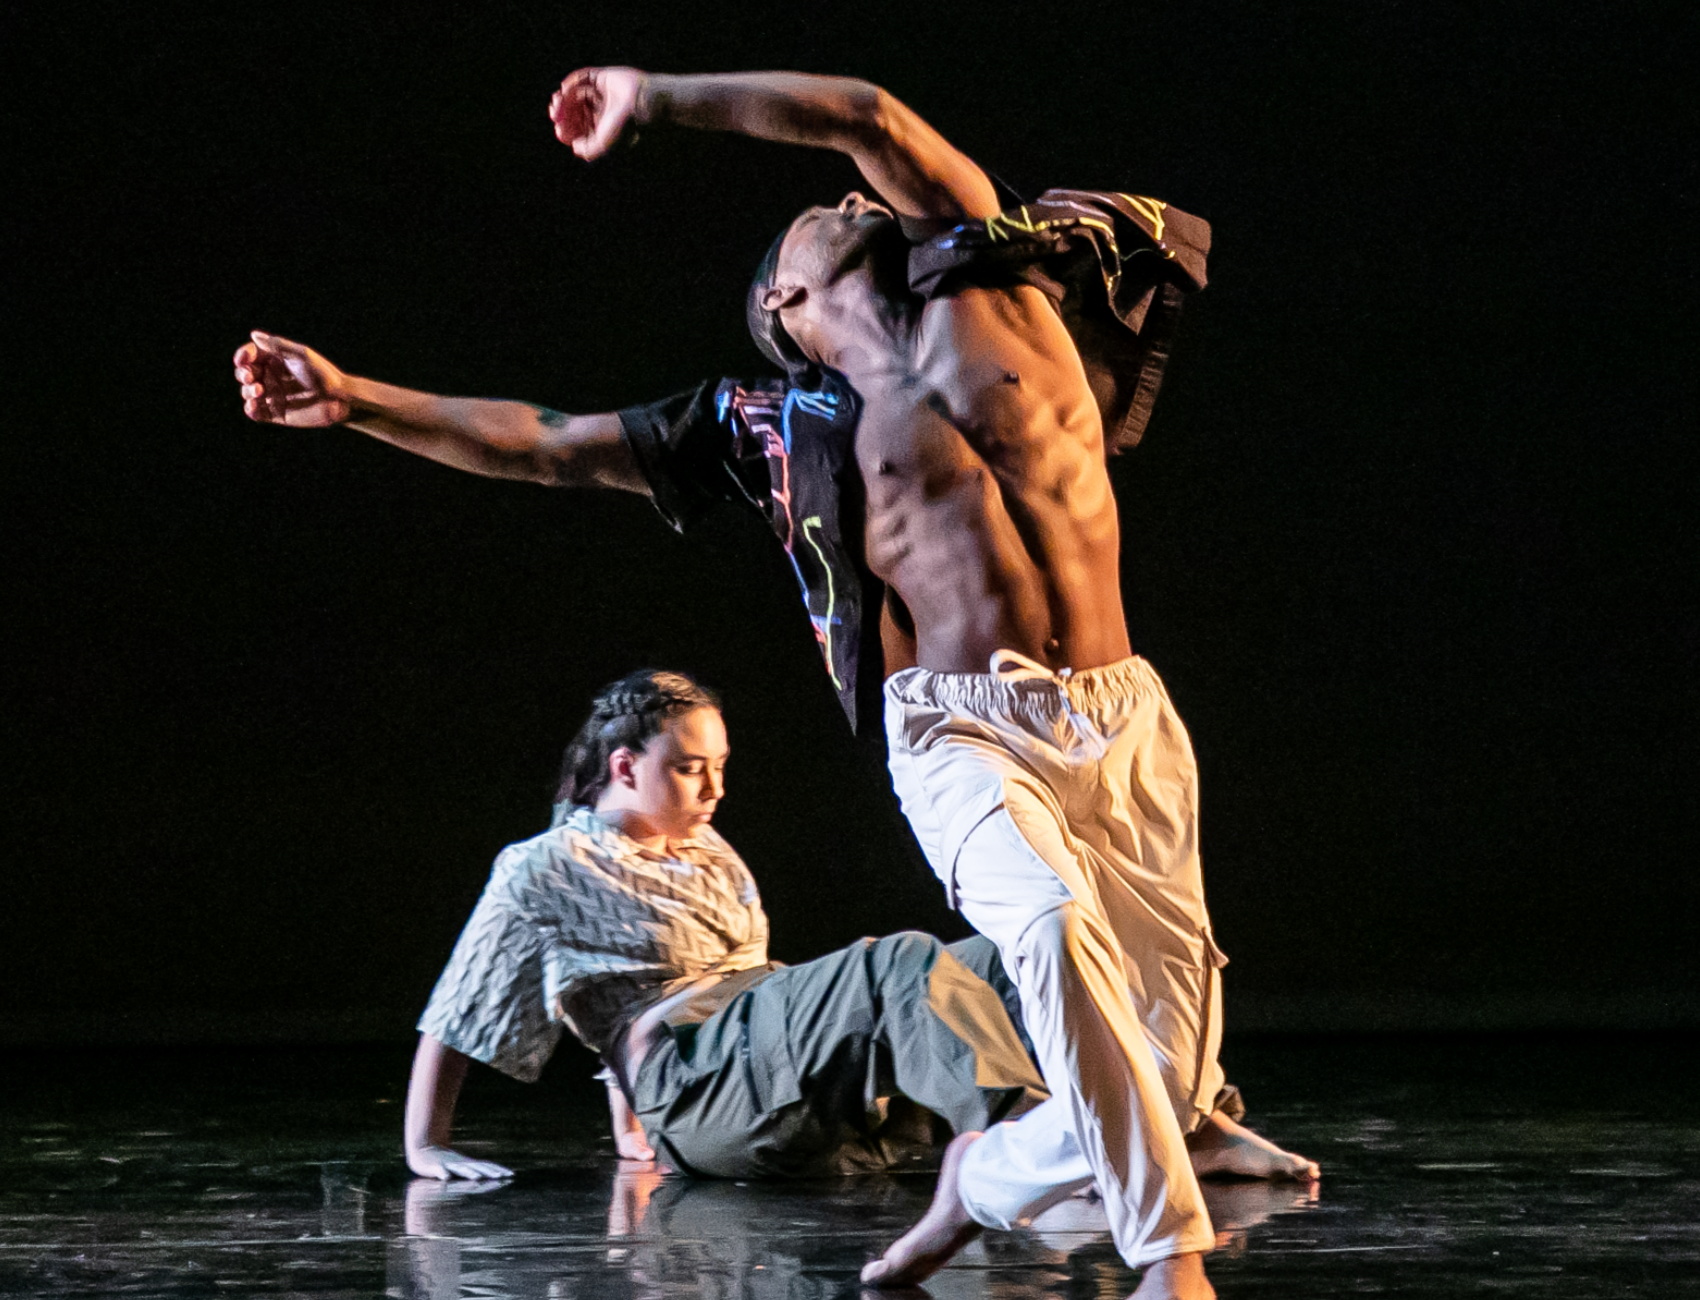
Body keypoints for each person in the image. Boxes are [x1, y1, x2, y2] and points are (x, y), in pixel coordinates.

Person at [234, 69, 1318, 1299]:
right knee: (1052, 933)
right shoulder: (770, 431)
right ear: (782, 302)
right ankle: (1170, 1259)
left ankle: (986, 1177)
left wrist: (654, 97)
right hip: (962, 735)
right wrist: (356, 400)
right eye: (821, 215)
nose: (848, 199)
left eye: (854, 199)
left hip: (1123, 719)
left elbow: (862, 115)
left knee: (1164, 1083)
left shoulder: (991, 280)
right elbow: (545, 443)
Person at [404, 668, 1048, 1182]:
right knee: (899, 961)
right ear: (625, 767)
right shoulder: (547, 865)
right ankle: (1040, 1148)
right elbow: (460, 1009)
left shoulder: (706, 848)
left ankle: (1086, 1119)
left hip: (772, 1075)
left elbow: (635, 969)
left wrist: (628, 1126)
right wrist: (425, 1146)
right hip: (701, 1092)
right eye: (690, 769)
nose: (714, 788)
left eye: (720, 766)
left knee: (1005, 955)